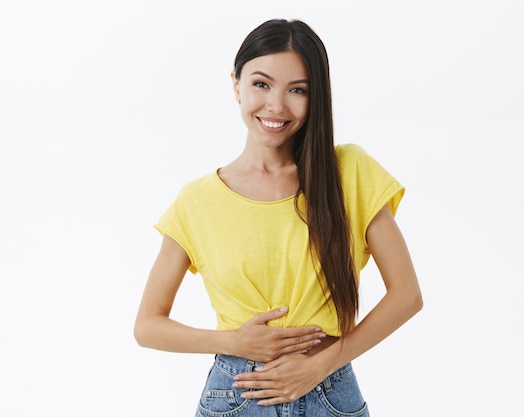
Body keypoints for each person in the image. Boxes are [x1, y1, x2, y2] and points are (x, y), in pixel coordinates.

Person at [133, 18, 423, 416]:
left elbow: (407, 295)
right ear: (236, 84)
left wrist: (321, 364)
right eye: (261, 84)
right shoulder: (197, 200)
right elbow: (147, 325)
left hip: (328, 389)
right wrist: (234, 342)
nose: (276, 106)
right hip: (237, 396)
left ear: (316, 96)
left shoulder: (349, 172)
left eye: (298, 90)